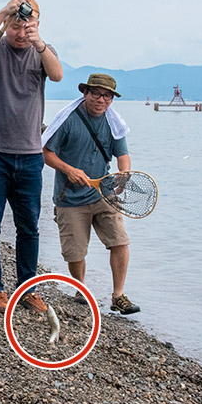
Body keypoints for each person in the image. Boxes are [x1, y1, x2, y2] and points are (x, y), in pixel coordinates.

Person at [0, 0, 63, 313]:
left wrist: (39, 42)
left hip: (29, 155)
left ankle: (28, 288)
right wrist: (3, 12)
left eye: (28, 25)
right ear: (8, 25)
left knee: (29, 226)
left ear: (37, 24)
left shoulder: (43, 52)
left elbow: (57, 74)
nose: (21, 32)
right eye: (16, 26)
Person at [42, 73, 141, 315]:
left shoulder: (113, 122)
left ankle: (118, 296)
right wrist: (68, 169)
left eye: (107, 95)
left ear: (111, 99)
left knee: (120, 241)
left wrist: (124, 173)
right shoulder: (68, 120)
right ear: (85, 93)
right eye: (95, 93)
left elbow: (123, 155)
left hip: (104, 194)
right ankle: (81, 289)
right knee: (75, 252)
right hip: (70, 197)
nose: (101, 99)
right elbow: (46, 152)